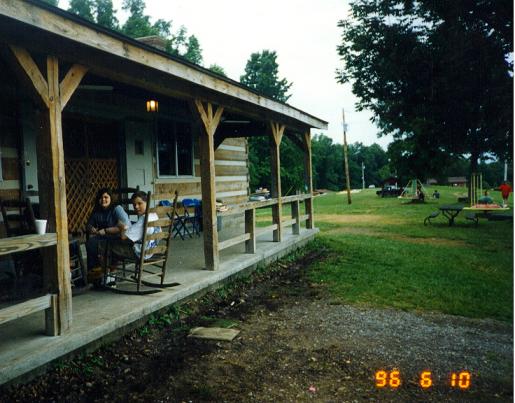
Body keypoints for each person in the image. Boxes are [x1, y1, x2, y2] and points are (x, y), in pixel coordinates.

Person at [104, 191, 161, 285]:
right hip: (152, 249)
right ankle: (111, 276)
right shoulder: (154, 216)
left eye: (139, 203)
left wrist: (122, 226)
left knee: (109, 246)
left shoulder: (143, 219)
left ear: (147, 202)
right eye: (134, 205)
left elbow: (123, 237)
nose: (136, 207)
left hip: (141, 253)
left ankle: (110, 278)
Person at [86, 188, 130, 278]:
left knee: (95, 244)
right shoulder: (97, 209)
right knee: (90, 243)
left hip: (116, 237)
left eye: (106, 197)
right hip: (102, 237)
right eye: (101, 197)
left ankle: (103, 272)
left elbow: (126, 226)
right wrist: (91, 228)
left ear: (111, 198)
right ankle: (95, 272)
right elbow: (89, 224)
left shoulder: (117, 208)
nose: (103, 199)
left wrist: (106, 230)